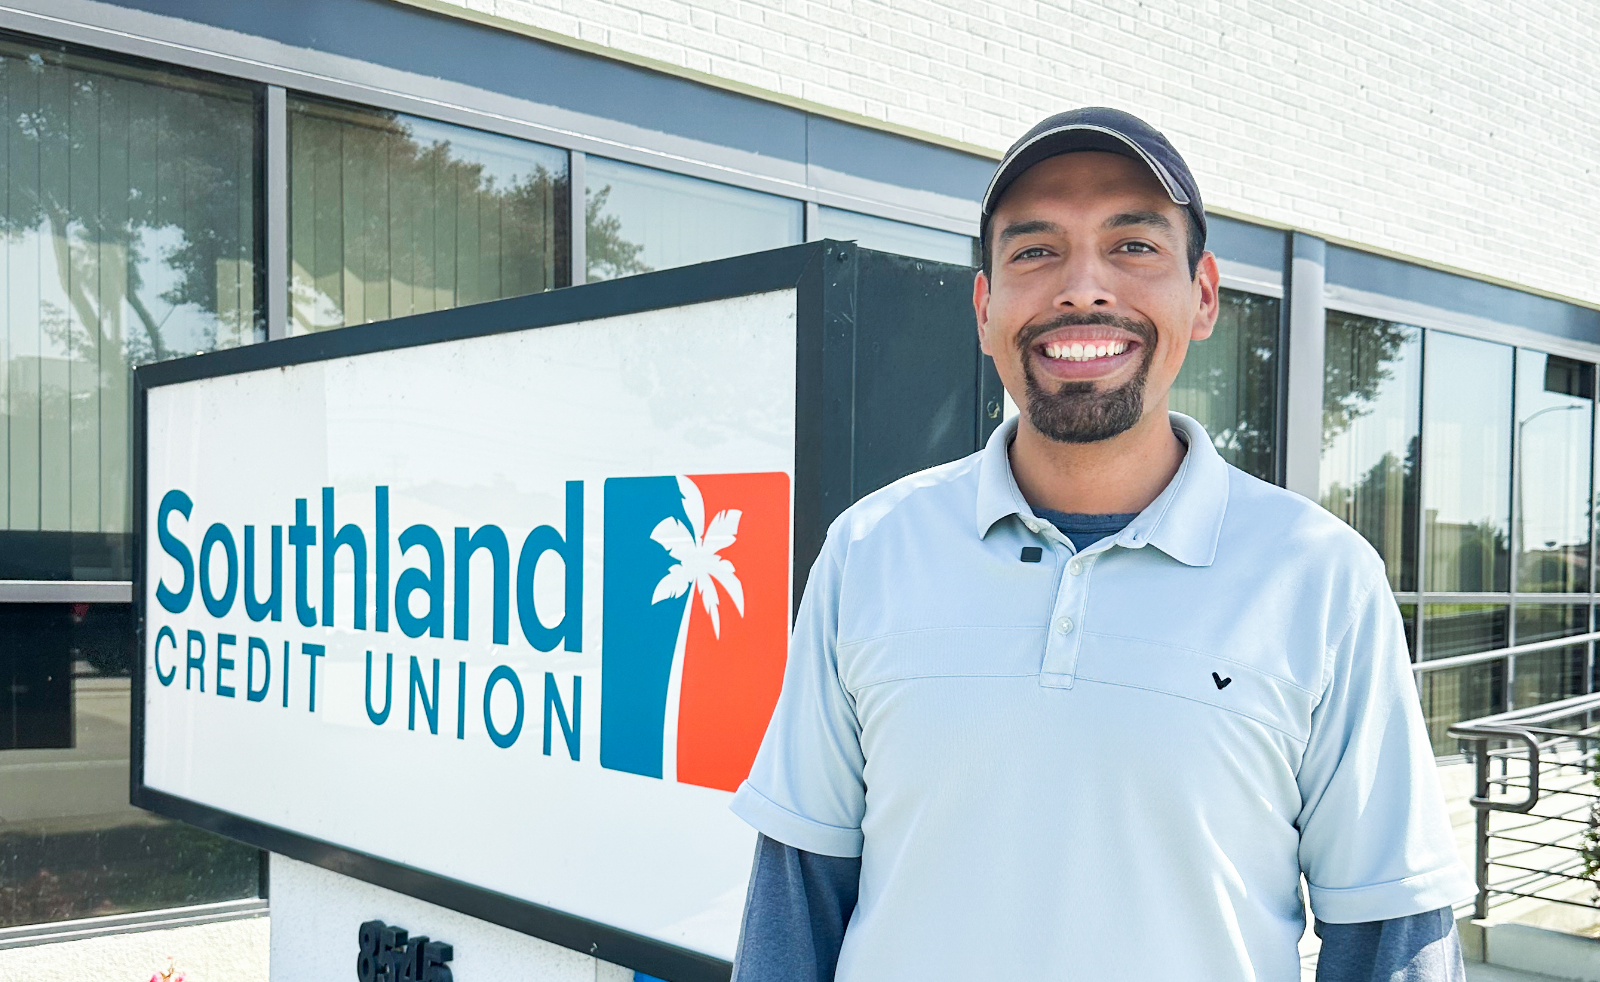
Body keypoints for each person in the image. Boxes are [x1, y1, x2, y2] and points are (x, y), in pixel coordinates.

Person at [728, 107, 1472, 981]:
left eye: (1133, 246)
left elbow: (1390, 934)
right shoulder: (869, 551)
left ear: (1202, 297)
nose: (1082, 288)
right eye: (1035, 251)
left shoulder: (1321, 578)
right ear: (985, 306)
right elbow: (795, 902)